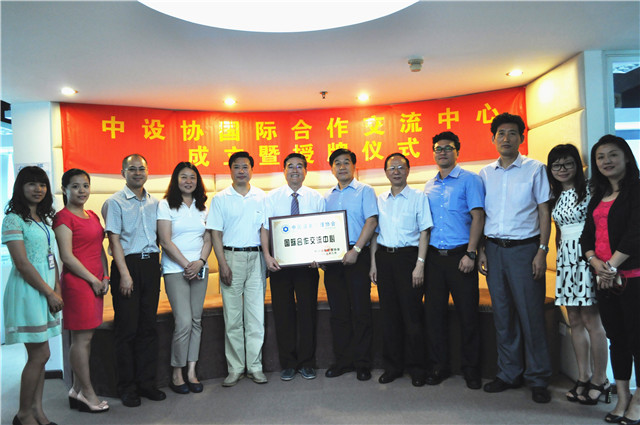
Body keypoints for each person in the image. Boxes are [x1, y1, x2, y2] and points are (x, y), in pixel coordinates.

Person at [477, 112, 553, 403]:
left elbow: (544, 212)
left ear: (521, 137)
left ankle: (538, 377)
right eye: (500, 133)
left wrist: (542, 250)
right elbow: (482, 215)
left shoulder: (535, 169)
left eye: (511, 133)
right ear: (493, 139)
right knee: (503, 315)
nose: (506, 138)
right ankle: (509, 373)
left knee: (531, 315)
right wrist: (482, 249)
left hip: (525, 250)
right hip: (494, 250)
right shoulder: (485, 173)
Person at [580, 135, 640, 424]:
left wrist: (610, 267)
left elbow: (635, 233)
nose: (606, 161)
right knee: (616, 338)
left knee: (637, 338)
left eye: (613, 155)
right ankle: (622, 396)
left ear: (626, 157)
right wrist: (596, 264)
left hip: (632, 277)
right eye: (601, 157)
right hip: (604, 278)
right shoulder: (598, 195)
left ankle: (638, 400)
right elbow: (586, 237)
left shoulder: (636, 190)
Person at [101, 154, 165, 407]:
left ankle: (146, 383)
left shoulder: (155, 202)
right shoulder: (114, 202)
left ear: (147, 171)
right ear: (123, 173)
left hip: (151, 265)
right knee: (127, 329)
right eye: (132, 169)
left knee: (148, 327)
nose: (138, 173)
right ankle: (127, 387)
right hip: (127, 265)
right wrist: (125, 274)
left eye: (141, 168)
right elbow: (114, 240)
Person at [546, 144, 608, 404]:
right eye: (556, 165)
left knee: (592, 320)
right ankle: (583, 376)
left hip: (587, 255)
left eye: (568, 163)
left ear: (577, 166)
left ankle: (601, 380)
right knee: (574, 319)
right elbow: (559, 231)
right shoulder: (555, 195)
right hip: (566, 259)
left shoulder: (591, 190)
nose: (562, 169)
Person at [423, 131, 485, 389]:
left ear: (457, 151)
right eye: (438, 148)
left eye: (448, 148)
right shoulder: (429, 186)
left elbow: (478, 217)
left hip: (461, 257)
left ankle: (471, 369)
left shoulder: (470, 180)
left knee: (468, 315)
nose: (442, 152)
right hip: (434, 259)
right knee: (434, 316)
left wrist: (471, 253)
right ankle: (439, 366)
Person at [2, 166, 64, 425]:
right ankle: (24, 414)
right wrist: (49, 292)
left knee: (42, 355)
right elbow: (22, 263)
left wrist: (57, 287)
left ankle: (37, 411)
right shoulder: (13, 219)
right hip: (28, 292)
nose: (38, 189)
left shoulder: (42, 218)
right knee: (39, 355)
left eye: (42, 184)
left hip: (46, 290)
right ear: (21, 187)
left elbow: (51, 257)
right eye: (31, 184)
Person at [260, 153, 325, 381]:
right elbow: (265, 229)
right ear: (284, 171)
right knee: (283, 313)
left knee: (308, 313)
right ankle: (288, 363)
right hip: (280, 265)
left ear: (306, 171)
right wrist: (267, 256)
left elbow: (322, 230)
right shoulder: (272, 197)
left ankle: (307, 362)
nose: (295, 170)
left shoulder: (316, 198)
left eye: (299, 166)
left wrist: (320, 256)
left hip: (308, 266)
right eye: (290, 166)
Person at [369, 153, 431, 386]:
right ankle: (392, 367)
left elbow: (425, 232)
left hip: (409, 259)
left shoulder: (418, 197)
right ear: (385, 172)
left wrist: (420, 265)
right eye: (391, 168)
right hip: (384, 259)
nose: (396, 171)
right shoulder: (380, 199)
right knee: (389, 316)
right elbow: (375, 234)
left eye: (400, 167)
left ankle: (417, 368)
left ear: (408, 170)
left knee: (412, 316)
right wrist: (373, 264)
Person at [207, 151, 268, 387]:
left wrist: (266, 257)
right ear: (230, 170)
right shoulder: (220, 199)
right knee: (232, 318)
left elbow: (264, 231)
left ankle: (255, 366)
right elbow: (216, 234)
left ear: (252, 169)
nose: (241, 171)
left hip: (256, 258)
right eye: (236, 166)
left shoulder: (262, 197)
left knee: (255, 317)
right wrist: (222, 264)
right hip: (230, 259)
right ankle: (235, 368)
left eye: (245, 166)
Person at [53, 169, 110, 413]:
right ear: (65, 190)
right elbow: (67, 256)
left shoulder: (92, 215)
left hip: (96, 282)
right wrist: (92, 280)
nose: (81, 191)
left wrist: (105, 276)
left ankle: (76, 390)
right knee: (81, 340)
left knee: (87, 339)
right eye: (75, 186)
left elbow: (99, 248)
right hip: (78, 284)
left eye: (85, 185)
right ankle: (87, 392)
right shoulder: (63, 218)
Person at [324, 148, 378, 381]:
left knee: (360, 311)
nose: (342, 167)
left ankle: (363, 363)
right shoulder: (327, 197)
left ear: (354, 167)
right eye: (337, 163)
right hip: (333, 260)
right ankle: (343, 361)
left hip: (358, 255)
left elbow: (371, 221)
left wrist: (356, 250)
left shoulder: (365, 191)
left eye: (346, 162)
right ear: (332, 169)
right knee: (338, 313)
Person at [157, 162, 212, 394]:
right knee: (184, 321)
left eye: (192, 177)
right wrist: (186, 265)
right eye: (183, 177)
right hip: (175, 269)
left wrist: (200, 261)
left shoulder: (203, 207)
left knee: (196, 320)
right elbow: (165, 240)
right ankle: (176, 373)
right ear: (176, 180)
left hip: (199, 268)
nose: (188, 181)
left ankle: (191, 371)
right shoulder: (165, 205)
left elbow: (208, 238)